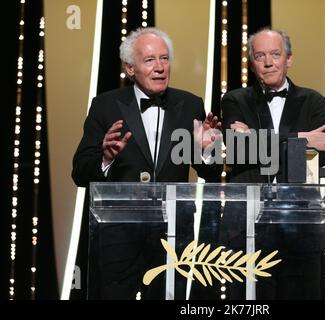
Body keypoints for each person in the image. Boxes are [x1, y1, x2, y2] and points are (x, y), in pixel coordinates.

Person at [72, 27, 222, 299]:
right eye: (150, 60)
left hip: (174, 234)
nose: (160, 67)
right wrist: (105, 158)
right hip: (118, 234)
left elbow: (212, 172)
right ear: (130, 69)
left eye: (164, 59)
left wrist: (207, 151)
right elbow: (80, 172)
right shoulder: (106, 106)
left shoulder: (190, 105)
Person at [220, 28, 325, 299]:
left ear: (289, 59)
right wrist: (302, 138)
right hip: (247, 226)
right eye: (260, 56)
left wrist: (258, 141)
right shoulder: (235, 99)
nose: (268, 62)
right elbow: (238, 150)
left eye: (275, 54)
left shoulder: (313, 101)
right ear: (252, 62)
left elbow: (324, 153)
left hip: (300, 223)